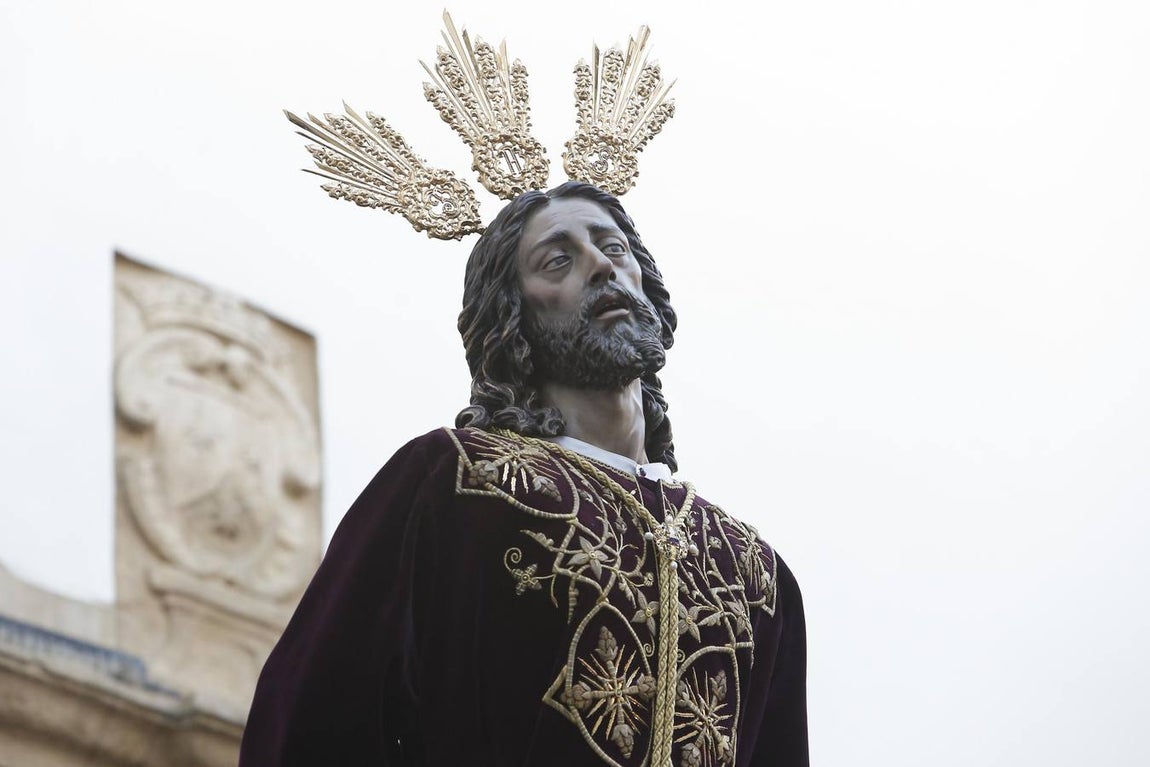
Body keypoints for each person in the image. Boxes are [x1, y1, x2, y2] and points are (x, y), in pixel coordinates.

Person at [239, 181, 808, 766]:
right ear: (512, 315)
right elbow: (314, 718)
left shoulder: (755, 573)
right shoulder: (456, 484)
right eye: (557, 260)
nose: (600, 266)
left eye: (613, 248)